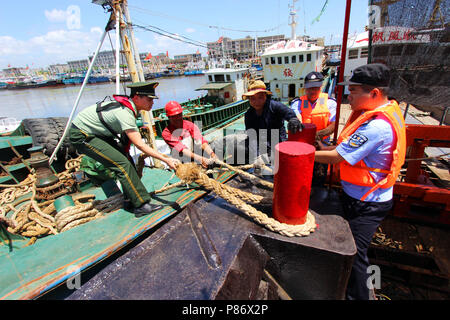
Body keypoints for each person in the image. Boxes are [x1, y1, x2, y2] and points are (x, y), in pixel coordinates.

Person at [314, 64, 406, 300]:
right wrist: (323, 148)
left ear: (374, 93)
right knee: (355, 251)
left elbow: (337, 157)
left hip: (367, 203)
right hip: (361, 196)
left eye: (354, 91)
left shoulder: (376, 126)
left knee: (355, 255)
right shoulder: (384, 112)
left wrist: (301, 153)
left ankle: (359, 296)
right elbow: (344, 150)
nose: (348, 96)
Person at [69, 82, 180, 217]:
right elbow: (141, 145)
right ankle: (141, 205)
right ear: (137, 97)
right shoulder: (125, 113)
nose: (152, 102)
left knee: (125, 159)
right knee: (122, 164)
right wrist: (166, 159)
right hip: (83, 135)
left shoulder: (130, 108)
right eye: (149, 99)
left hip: (97, 133)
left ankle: (129, 199)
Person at [243, 80, 302, 159]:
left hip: (277, 141)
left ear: (265, 96)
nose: (257, 102)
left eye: (260, 97)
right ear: (249, 100)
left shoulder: (274, 105)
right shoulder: (248, 115)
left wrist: (293, 119)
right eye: (253, 98)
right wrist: (257, 156)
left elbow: (288, 112)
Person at [162, 101, 217, 169]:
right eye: (174, 116)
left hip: (192, 156)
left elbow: (201, 142)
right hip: (179, 161)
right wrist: (200, 159)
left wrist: (212, 154)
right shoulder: (167, 133)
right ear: (169, 117)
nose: (177, 118)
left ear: (182, 114)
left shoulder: (190, 125)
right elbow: (182, 149)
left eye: (179, 115)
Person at [290, 71, 336, 143]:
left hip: (323, 141)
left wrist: (319, 135)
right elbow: (297, 117)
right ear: (305, 88)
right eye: (309, 88)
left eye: (315, 88)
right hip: (304, 139)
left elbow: (334, 124)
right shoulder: (297, 103)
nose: (312, 91)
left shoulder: (330, 103)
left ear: (321, 87)